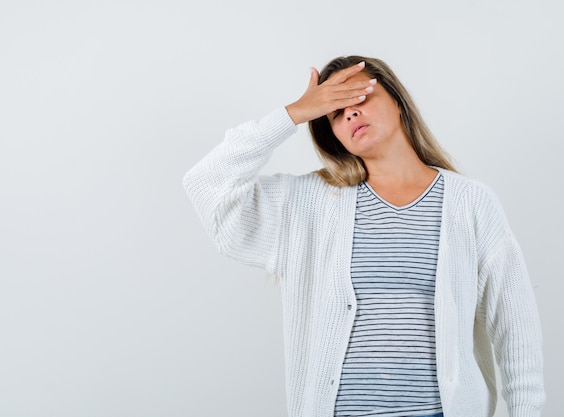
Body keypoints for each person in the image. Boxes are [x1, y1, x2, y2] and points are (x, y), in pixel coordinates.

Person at [183, 55, 544, 417]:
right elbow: (205, 184)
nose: (350, 113)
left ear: (398, 103)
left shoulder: (470, 203)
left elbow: (517, 334)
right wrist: (294, 113)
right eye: (335, 111)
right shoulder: (308, 204)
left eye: (357, 96)